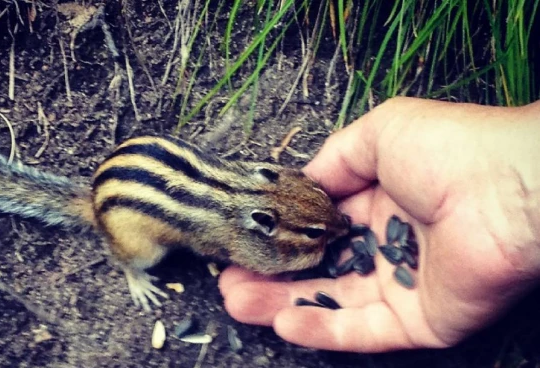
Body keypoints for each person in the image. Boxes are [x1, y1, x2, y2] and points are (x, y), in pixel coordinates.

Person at [219, 97, 540, 353]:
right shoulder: (238, 232)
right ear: (263, 225)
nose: (343, 229)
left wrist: (512, 200)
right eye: (316, 232)